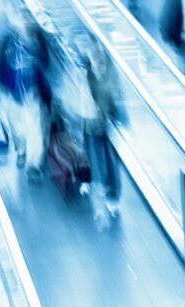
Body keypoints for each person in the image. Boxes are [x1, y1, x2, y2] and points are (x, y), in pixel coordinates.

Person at [0, 4, 53, 178]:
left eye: (28, 17)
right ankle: (21, 148)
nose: (25, 21)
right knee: (17, 127)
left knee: (35, 128)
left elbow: (46, 62)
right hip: (10, 91)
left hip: (32, 92)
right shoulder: (7, 38)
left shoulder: (39, 38)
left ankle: (33, 166)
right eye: (22, 17)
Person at [79, 35, 125, 226]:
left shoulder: (109, 71)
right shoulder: (85, 70)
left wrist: (117, 116)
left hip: (107, 123)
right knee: (89, 154)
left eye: (96, 52)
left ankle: (111, 196)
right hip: (89, 122)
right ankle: (89, 181)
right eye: (91, 52)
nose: (94, 56)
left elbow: (115, 95)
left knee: (109, 161)